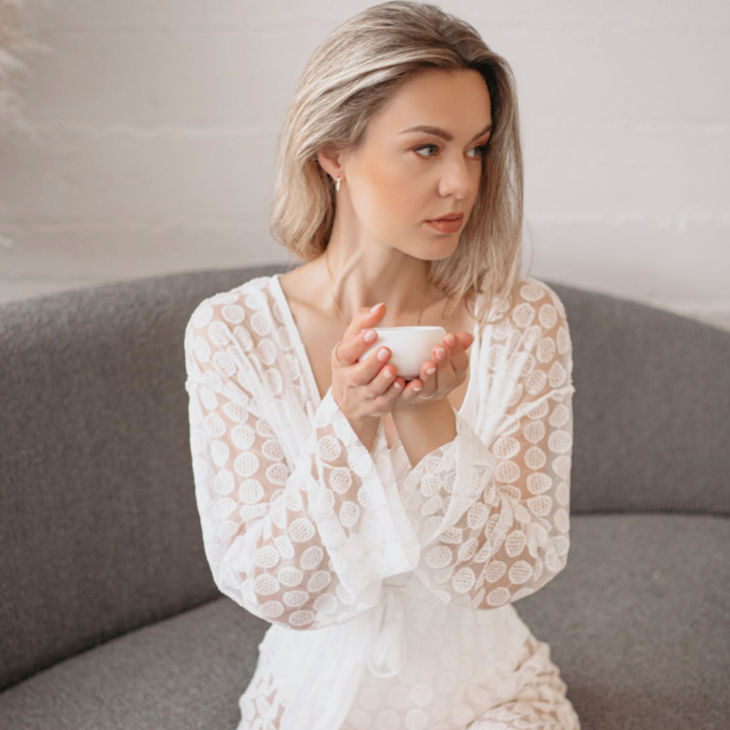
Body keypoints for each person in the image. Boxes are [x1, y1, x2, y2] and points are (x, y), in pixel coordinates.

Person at [183, 2, 580, 728]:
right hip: (312, 701)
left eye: (478, 149)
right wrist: (352, 418)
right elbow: (276, 590)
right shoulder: (232, 333)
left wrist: (426, 412)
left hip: (489, 698)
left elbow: (513, 569)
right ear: (333, 151)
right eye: (427, 148)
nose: (461, 183)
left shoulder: (522, 320)